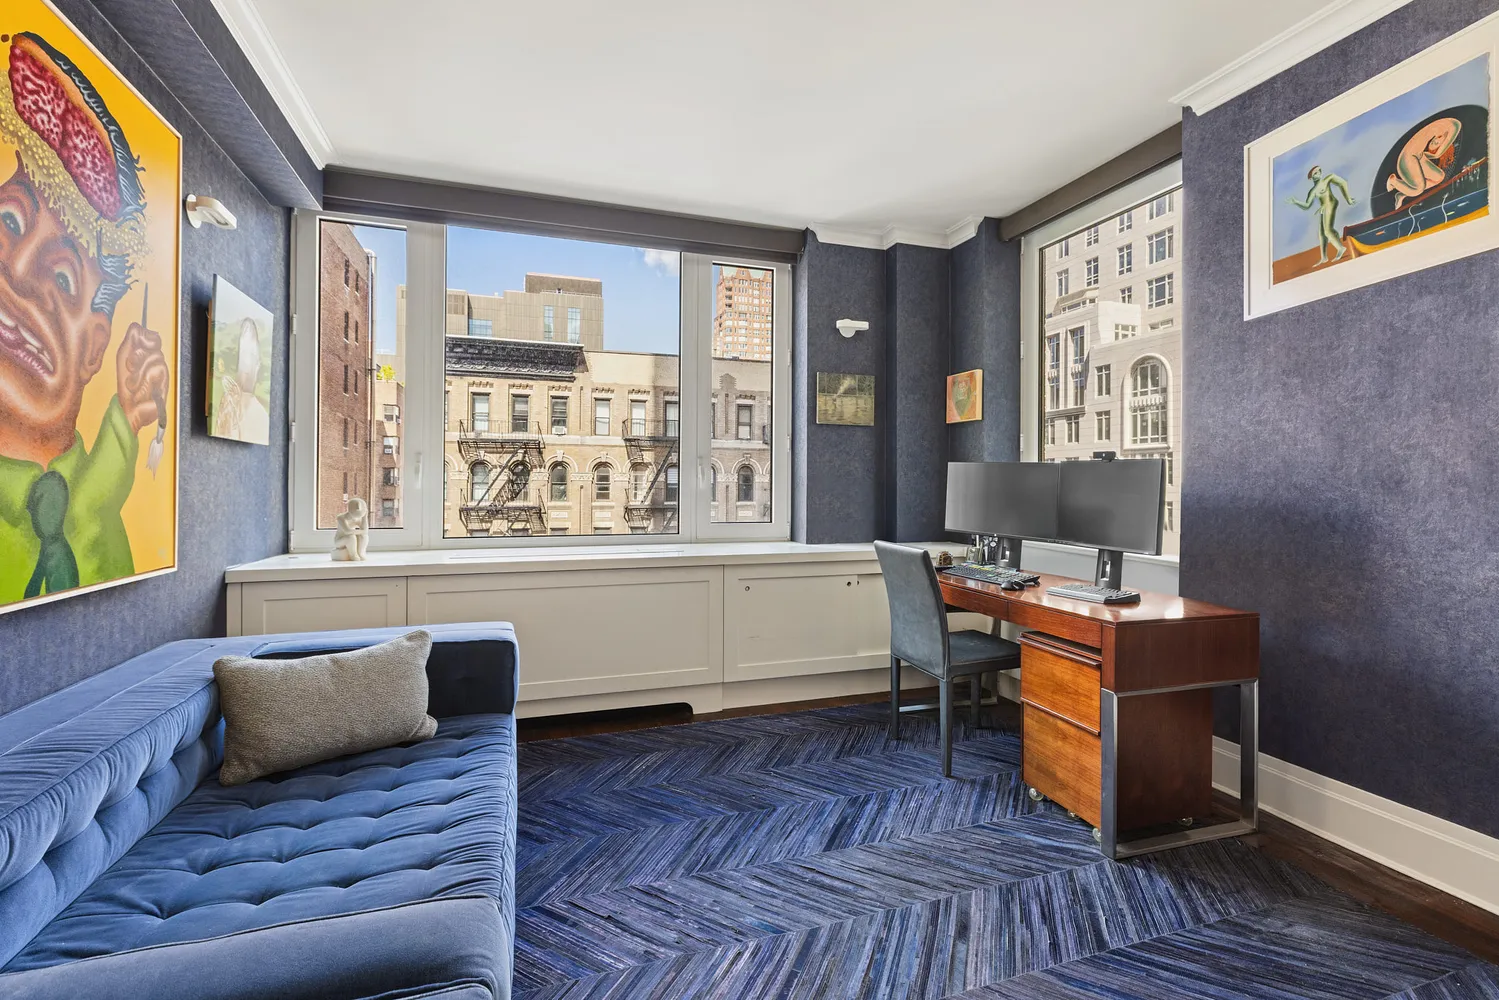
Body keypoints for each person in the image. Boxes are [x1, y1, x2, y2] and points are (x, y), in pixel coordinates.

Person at [0, 31, 169, 602]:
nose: (19, 269)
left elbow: (90, 505)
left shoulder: (85, 496)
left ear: (95, 349)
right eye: (12, 220)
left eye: (65, 276)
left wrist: (126, 417)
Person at [1288, 165, 1357, 266]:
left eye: (1319, 171)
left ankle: (1340, 248)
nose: (1318, 173)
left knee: (1328, 230)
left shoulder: (1328, 179)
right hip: (1323, 208)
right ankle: (1324, 257)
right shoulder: (1313, 191)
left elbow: (1343, 183)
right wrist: (1296, 202)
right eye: (1315, 173)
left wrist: (1348, 199)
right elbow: (1307, 205)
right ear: (1311, 178)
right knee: (1322, 234)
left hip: (1330, 204)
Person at [1387, 117, 1462, 209]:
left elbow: (1435, 154)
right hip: (1408, 158)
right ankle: (1394, 181)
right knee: (1418, 190)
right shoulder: (1450, 127)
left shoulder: (1449, 127)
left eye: (1436, 144)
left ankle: (1402, 194)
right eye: (1435, 143)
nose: (1433, 144)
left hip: (1419, 155)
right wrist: (1433, 154)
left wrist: (1429, 154)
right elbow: (1437, 155)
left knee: (1439, 177)